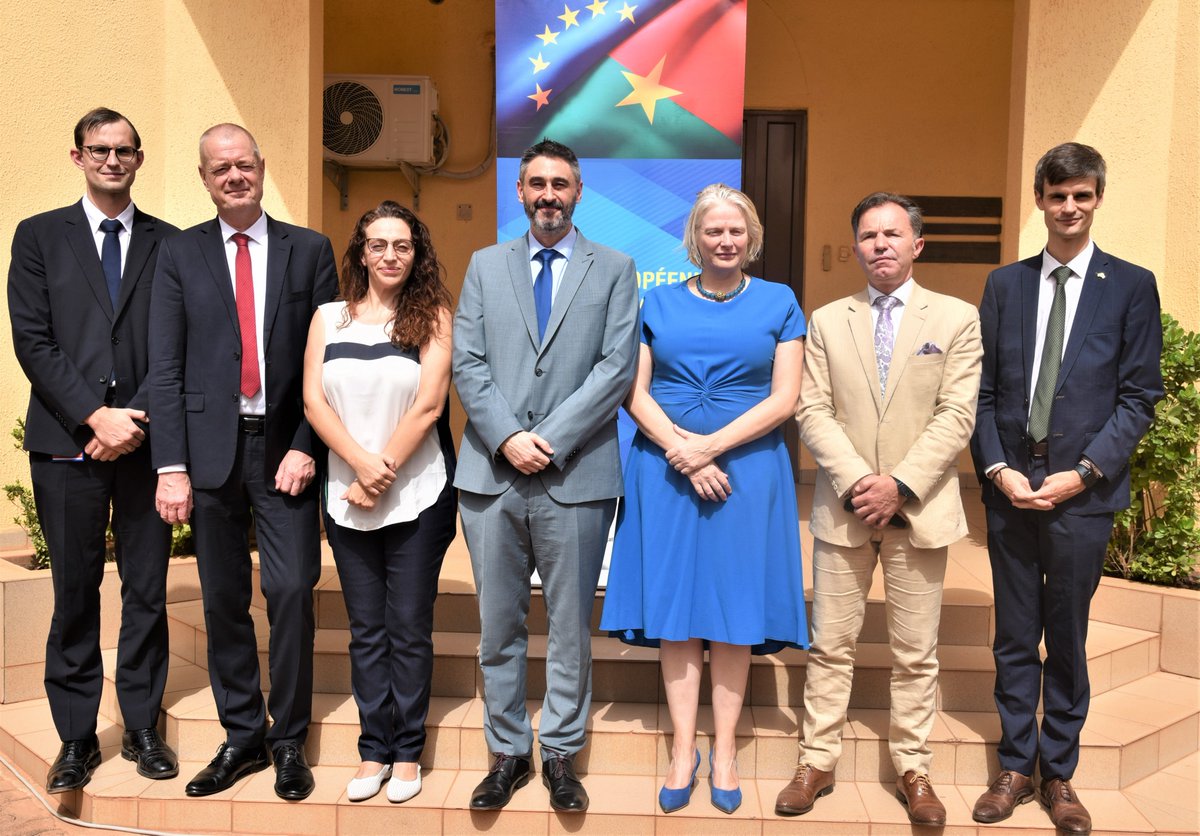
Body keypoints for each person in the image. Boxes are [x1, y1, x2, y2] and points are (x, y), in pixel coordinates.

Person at [969, 143, 1162, 835]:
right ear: (1040, 200)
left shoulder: (1131, 285)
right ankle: (1015, 766)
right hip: (1011, 491)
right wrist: (999, 470)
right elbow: (983, 393)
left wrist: (1082, 473)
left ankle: (1060, 775)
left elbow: (1139, 397)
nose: (1070, 207)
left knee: (1068, 638)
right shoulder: (1005, 286)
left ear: (1097, 198)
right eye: (1058, 196)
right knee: (1015, 634)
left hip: (1084, 494)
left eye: (1082, 195)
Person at [600, 184, 808, 815]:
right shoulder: (654, 300)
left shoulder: (780, 300)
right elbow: (633, 392)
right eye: (713, 231)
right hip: (664, 472)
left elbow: (784, 398)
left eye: (736, 232)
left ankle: (724, 752)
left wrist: (711, 446)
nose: (725, 241)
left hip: (747, 472)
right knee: (677, 614)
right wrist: (682, 453)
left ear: (752, 238)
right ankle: (682, 751)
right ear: (694, 238)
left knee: (733, 613)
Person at [776, 192, 982, 825]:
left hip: (919, 510)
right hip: (844, 509)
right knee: (830, 645)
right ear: (857, 246)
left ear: (917, 244)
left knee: (916, 651)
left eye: (893, 234)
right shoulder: (827, 319)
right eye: (869, 236)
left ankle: (914, 768)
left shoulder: (956, 318)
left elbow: (957, 414)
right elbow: (812, 409)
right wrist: (862, 480)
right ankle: (817, 760)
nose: (881, 245)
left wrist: (900, 484)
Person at [148, 123, 338, 800]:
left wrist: (307, 446)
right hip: (207, 455)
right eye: (219, 168)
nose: (234, 175)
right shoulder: (178, 254)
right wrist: (169, 464)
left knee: (290, 592)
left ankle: (289, 740)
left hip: (285, 451)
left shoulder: (310, 250)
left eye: (244, 164)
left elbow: (329, 365)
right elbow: (164, 369)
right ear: (205, 178)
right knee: (225, 599)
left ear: (262, 167)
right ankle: (242, 737)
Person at [452, 138, 639, 812]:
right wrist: (507, 436)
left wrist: (550, 439)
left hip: (578, 474)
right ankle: (507, 752)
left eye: (561, 183)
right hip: (491, 477)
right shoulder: (483, 265)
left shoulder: (615, 267)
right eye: (537, 183)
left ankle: (560, 752)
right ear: (520, 191)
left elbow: (615, 368)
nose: (549, 194)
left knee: (568, 626)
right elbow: (466, 362)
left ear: (579, 192)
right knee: (497, 624)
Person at [7, 107, 179, 793]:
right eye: (99, 149)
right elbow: (33, 341)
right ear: (76, 156)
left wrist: (129, 419)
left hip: (145, 442)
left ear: (139, 158)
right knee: (74, 593)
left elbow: (176, 347)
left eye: (124, 149)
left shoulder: (172, 243)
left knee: (146, 592)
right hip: (66, 445)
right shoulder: (39, 237)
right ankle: (76, 737)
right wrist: (93, 416)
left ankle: (141, 727)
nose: (112, 159)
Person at [302, 201, 457, 804]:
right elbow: (314, 402)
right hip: (348, 496)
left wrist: (379, 472)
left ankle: (409, 751)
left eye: (402, 245)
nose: (389, 255)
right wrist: (361, 468)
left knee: (410, 628)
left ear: (416, 254)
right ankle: (374, 748)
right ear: (360, 252)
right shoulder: (328, 318)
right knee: (365, 629)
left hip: (417, 494)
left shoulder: (434, 317)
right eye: (378, 245)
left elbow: (429, 406)